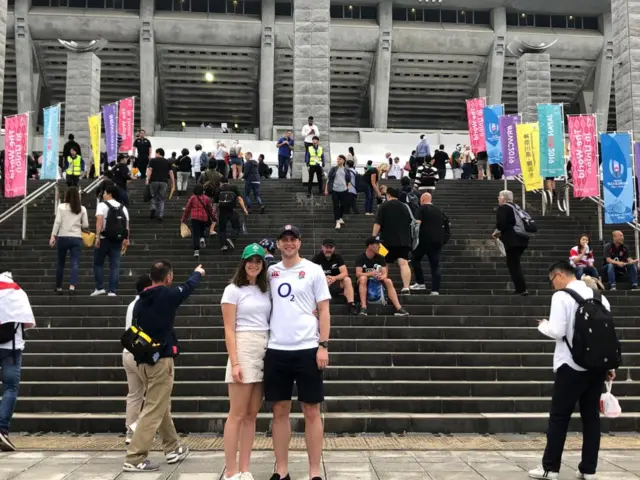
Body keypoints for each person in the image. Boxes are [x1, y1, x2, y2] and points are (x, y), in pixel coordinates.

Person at [528, 261, 616, 480]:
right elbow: (607, 334)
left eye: (552, 281)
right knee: (591, 418)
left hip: (570, 365)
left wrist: (543, 325)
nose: (553, 286)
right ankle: (588, 470)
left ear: (558, 275)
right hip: (597, 366)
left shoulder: (561, 296)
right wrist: (610, 366)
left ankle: (550, 468)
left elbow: (557, 331)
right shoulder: (599, 296)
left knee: (559, 417)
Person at [123, 261, 204, 472]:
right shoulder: (166, 295)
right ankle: (135, 456)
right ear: (168, 277)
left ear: (151, 277)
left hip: (143, 360)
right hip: (161, 360)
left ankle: (173, 448)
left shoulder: (140, 301)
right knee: (154, 408)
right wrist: (197, 273)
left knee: (160, 405)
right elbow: (187, 288)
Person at [264, 225, 331, 480]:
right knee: (279, 411)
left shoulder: (314, 270)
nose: (289, 244)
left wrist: (323, 345)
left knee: (311, 411)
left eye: (293, 239)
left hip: (307, 348)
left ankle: (315, 472)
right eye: (285, 240)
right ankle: (281, 470)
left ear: (300, 243)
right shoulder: (271, 272)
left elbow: (323, 310)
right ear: (279, 244)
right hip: (277, 349)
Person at [221, 244, 271, 480]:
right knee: (237, 413)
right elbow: (229, 329)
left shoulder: (265, 289)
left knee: (252, 414)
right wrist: (235, 361)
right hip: (243, 346)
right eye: (250, 260)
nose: (254, 265)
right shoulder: (232, 290)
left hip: (264, 346)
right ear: (243, 263)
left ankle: (245, 468)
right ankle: (231, 471)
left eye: (258, 261)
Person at [0, 270, 36, 452]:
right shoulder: (18, 293)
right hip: (11, 349)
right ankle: (2, 428)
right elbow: (28, 322)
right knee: (10, 387)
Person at [123, 274, 153, 445]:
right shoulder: (145, 304)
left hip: (127, 353)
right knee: (155, 395)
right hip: (141, 355)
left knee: (134, 395)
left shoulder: (131, 304)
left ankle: (130, 432)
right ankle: (142, 431)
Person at [91, 184, 130, 297]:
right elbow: (127, 225)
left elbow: (99, 221)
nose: (103, 195)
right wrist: (126, 239)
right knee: (115, 266)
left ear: (110, 194)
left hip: (103, 238)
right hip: (117, 240)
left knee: (98, 264)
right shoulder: (123, 207)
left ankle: (99, 288)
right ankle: (112, 291)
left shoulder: (102, 205)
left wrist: (97, 237)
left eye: (104, 193)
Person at [372, 186, 413, 295]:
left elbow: (378, 223)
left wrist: (373, 237)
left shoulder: (383, 206)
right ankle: (406, 287)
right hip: (403, 241)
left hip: (385, 242)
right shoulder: (405, 207)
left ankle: (383, 286)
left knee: (384, 263)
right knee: (403, 263)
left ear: (388, 195)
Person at [355, 236, 409, 316]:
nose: (379, 246)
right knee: (363, 278)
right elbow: (358, 274)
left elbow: (385, 274)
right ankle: (363, 307)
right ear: (370, 246)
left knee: (388, 280)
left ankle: (398, 307)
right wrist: (371, 274)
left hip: (376, 279)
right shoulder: (361, 258)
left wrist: (380, 277)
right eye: (377, 244)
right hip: (364, 280)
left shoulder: (380, 258)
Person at [50, 187, 89, 295]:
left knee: (61, 263)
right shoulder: (82, 209)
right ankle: (72, 287)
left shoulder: (61, 207)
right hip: (76, 238)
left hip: (62, 237)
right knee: (74, 263)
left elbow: (57, 222)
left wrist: (53, 236)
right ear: (78, 196)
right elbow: (86, 225)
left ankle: (59, 287)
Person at [410, 192, 449, 295]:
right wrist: (444, 239)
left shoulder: (421, 209)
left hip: (423, 241)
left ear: (422, 200)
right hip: (437, 242)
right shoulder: (439, 210)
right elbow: (446, 225)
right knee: (435, 265)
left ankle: (420, 282)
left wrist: (413, 239)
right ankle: (435, 290)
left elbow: (417, 224)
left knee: (415, 259)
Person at [493, 190, 529, 296]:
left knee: (513, 264)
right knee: (514, 263)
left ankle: (521, 289)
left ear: (503, 198)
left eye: (499, 197)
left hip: (512, 239)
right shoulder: (516, 208)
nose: (498, 199)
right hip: (522, 238)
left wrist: (496, 232)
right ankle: (521, 288)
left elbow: (501, 223)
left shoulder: (503, 208)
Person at [311, 239, 358, 315]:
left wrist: (334, 278)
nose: (329, 250)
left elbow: (345, 273)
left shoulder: (338, 257)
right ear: (322, 247)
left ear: (334, 248)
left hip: (335, 284)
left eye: (331, 247)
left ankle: (351, 305)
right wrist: (323, 279)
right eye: (327, 247)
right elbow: (311, 274)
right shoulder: (316, 258)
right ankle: (315, 307)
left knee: (347, 280)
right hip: (322, 286)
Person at [181, 184, 215, 258]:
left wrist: (183, 219)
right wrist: (213, 218)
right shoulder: (206, 198)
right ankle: (202, 238)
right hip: (204, 217)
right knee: (202, 229)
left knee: (196, 233)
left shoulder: (192, 198)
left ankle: (196, 250)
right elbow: (210, 209)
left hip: (195, 217)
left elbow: (187, 209)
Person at [215, 177, 248, 251]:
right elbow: (239, 199)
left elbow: (215, 204)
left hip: (222, 212)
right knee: (236, 227)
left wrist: (214, 213)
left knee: (222, 229)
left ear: (221, 182)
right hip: (232, 211)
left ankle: (223, 245)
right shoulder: (233, 187)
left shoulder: (219, 190)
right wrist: (244, 210)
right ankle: (231, 238)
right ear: (228, 182)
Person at [146, 148, 175, 222]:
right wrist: (173, 183)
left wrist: (147, 179)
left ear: (158, 153)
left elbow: (149, 170)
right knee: (161, 199)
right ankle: (160, 215)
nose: (155, 154)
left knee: (152, 196)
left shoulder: (153, 160)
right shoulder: (167, 162)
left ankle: (153, 207)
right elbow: (171, 173)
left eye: (155, 153)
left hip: (154, 181)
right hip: (164, 182)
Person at [325, 155, 353, 230]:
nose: (338, 160)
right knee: (336, 205)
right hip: (335, 190)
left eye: (340, 159)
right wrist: (326, 189)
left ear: (343, 160)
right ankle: (337, 220)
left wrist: (348, 188)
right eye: (337, 159)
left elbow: (349, 180)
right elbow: (328, 179)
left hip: (344, 190)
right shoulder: (333, 169)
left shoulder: (346, 170)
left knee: (343, 205)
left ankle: (340, 217)